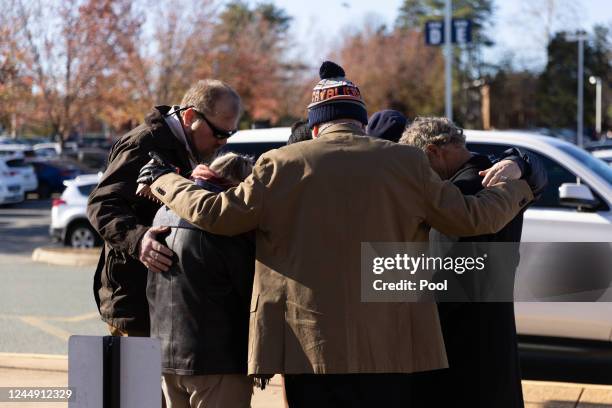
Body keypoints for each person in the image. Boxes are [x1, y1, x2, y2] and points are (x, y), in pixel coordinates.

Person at [136, 61, 535, 407]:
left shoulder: (281, 164)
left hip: (308, 346)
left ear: (314, 127)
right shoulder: (406, 162)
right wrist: (523, 180)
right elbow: (473, 218)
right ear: (361, 122)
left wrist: (167, 181)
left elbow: (215, 213)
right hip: (389, 345)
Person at [400, 117, 547, 407]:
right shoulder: (501, 174)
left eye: (419, 167)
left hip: (458, 351)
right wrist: (523, 163)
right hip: (494, 336)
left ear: (433, 151)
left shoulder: (456, 195)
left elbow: (440, 281)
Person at [87, 79, 241, 336]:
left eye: (230, 134)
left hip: (173, 299)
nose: (223, 143)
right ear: (190, 116)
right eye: (219, 133)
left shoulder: (188, 147)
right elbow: (102, 203)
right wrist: (137, 240)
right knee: (134, 376)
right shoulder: (143, 144)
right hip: (135, 301)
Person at [147, 152, 255, 408]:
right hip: (218, 361)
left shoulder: (163, 214)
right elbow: (250, 293)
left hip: (167, 357)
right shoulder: (229, 224)